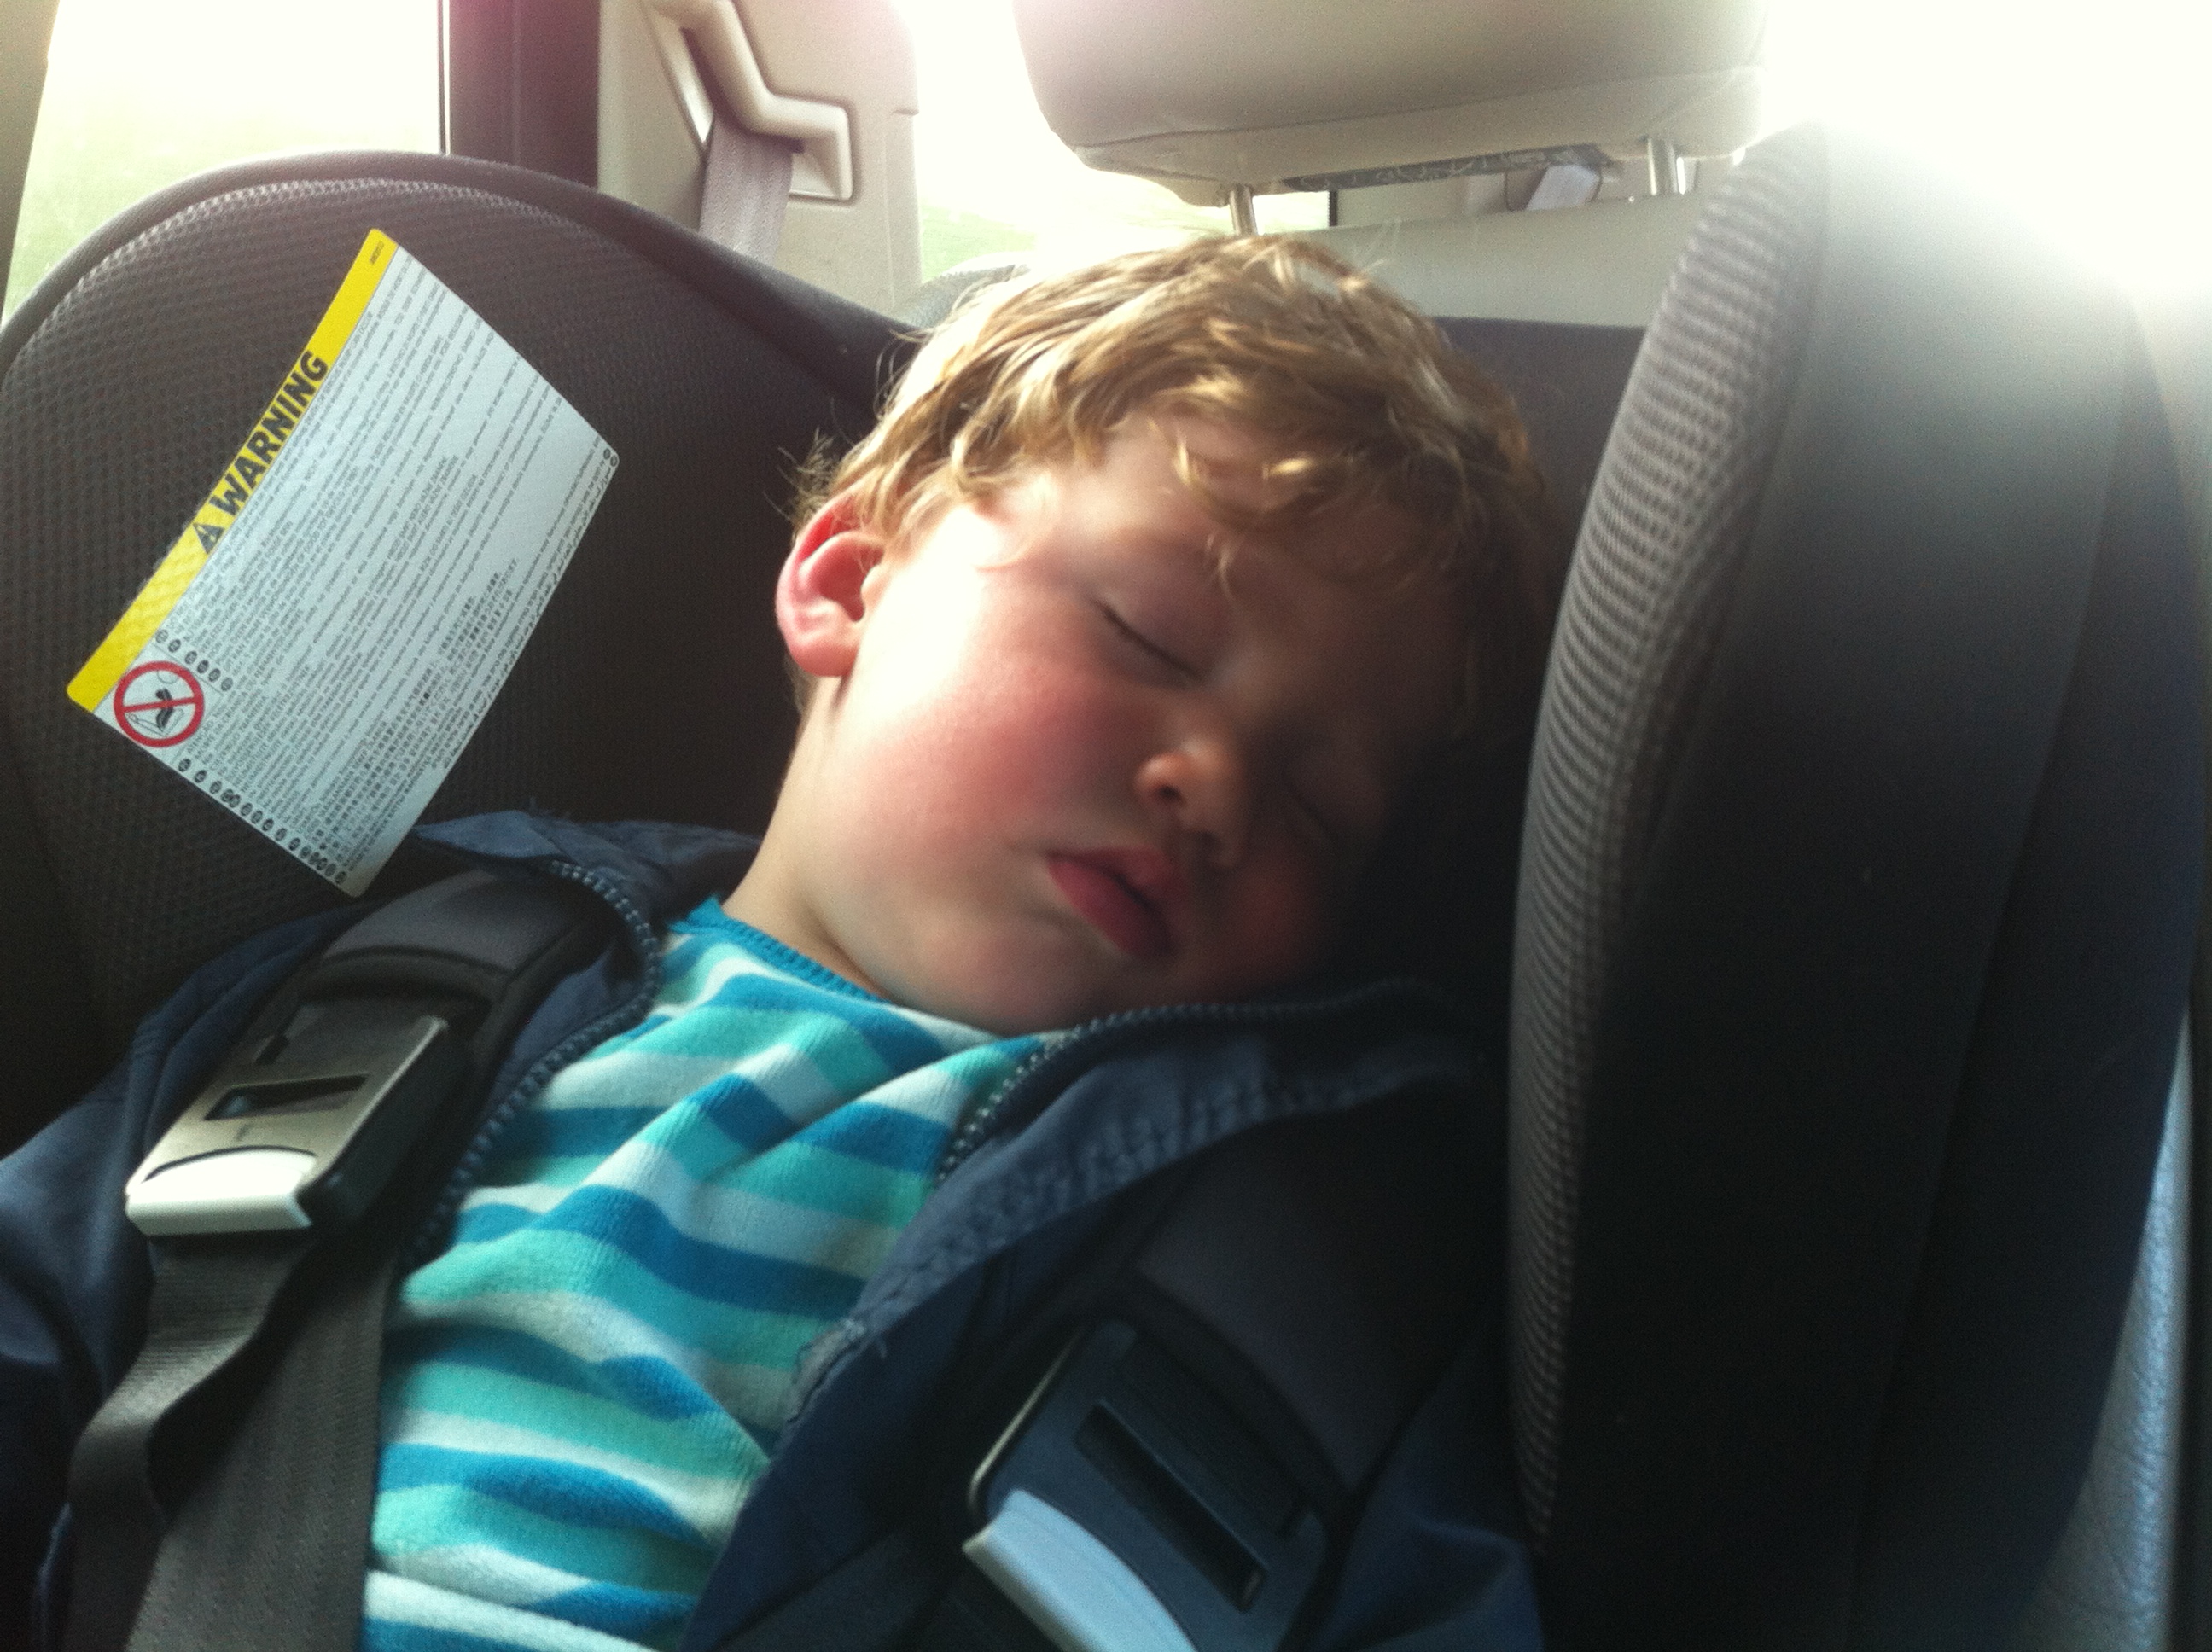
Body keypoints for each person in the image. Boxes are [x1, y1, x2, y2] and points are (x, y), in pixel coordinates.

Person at [0, 236, 1561, 1652]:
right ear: (850, 581)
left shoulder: (1300, 1237)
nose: (1216, 786)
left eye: (1318, 805)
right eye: (1146, 634)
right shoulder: (399, 1001)